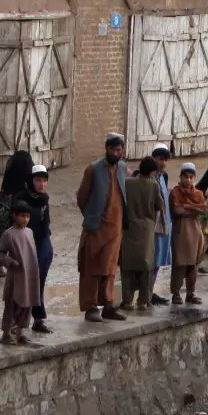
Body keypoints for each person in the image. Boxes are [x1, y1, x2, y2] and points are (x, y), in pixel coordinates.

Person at [76, 134, 128, 323]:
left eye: (120, 150)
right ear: (106, 149)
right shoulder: (93, 169)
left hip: (116, 228)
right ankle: (90, 307)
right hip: (96, 227)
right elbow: (82, 197)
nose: (117, 153)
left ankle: (108, 305)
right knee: (92, 268)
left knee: (110, 269)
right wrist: (92, 216)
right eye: (114, 149)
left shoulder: (122, 168)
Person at [0, 201, 42, 347]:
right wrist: (9, 261)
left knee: (27, 305)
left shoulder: (30, 232)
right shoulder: (9, 234)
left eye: (27, 216)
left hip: (30, 275)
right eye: (22, 216)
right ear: (15, 216)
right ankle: (6, 334)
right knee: (12, 306)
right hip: (16, 276)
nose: (25, 219)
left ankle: (20, 333)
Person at [119, 156, 166, 311]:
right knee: (146, 266)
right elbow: (159, 206)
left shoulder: (128, 183)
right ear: (152, 171)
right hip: (146, 229)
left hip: (129, 227)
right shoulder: (153, 185)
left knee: (127, 266)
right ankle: (143, 301)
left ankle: (127, 301)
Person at [168, 163, 207, 305]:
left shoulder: (198, 193)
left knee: (193, 265)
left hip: (195, 232)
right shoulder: (175, 192)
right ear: (181, 177)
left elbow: (204, 209)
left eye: (191, 177)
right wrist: (194, 209)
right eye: (186, 177)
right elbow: (177, 211)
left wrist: (187, 206)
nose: (188, 180)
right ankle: (176, 293)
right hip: (181, 232)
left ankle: (190, 293)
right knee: (179, 264)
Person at [23, 164, 53, 333]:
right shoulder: (22, 199)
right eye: (38, 180)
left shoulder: (44, 199)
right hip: (27, 246)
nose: (41, 184)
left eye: (44, 181)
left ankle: (38, 318)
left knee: (39, 283)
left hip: (43, 244)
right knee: (24, 284)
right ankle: (18, 323)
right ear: (31, 181)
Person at [148, 146, 173, 306]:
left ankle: (149, 292)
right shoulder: (147, 177)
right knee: (149, 260)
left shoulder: (164, 177)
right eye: (159, 159)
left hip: (163, 223)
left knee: (157, 260)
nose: (162, 163)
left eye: (165, 160)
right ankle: (145, 294)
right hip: (152, 224)